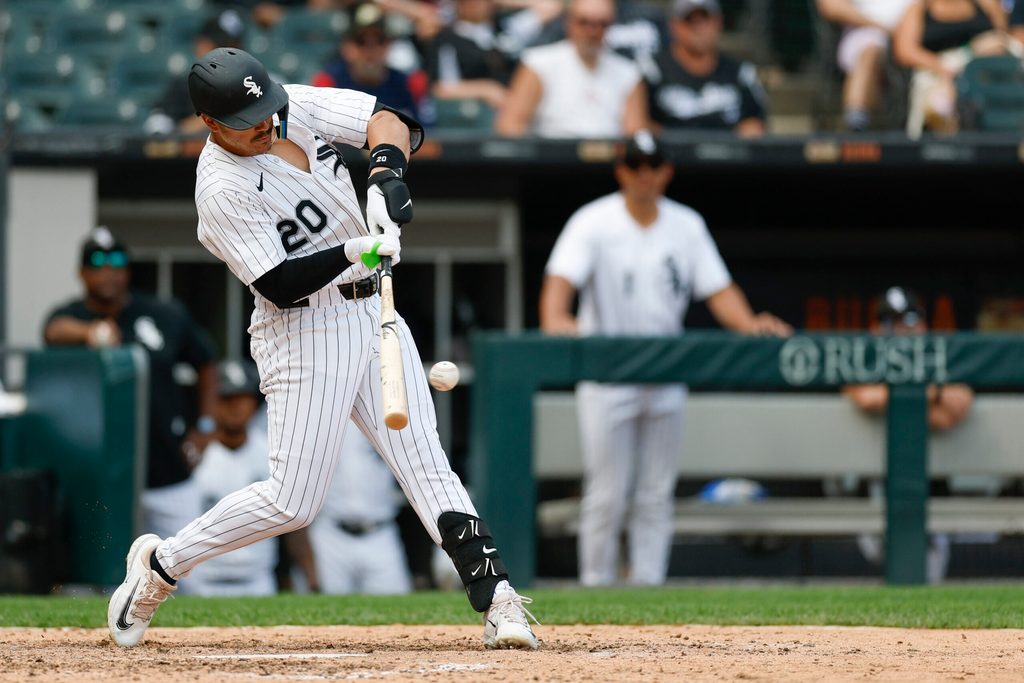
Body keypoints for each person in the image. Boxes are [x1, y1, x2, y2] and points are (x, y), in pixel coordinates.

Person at [106, 47, 538, 651]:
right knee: (292, 503)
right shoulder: (220, 189)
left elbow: (389, 118)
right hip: (303, 331)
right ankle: (161, 566)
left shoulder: (289, 108)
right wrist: (357, 250)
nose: (265, 125)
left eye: (267, 111)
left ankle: (498, 601)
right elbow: (278, 283)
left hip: (371, 309)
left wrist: (387, 171)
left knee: (427, 467)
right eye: (246, 121)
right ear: (209, 123)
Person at [538, 132, 792, 587]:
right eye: (635, 165)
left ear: (666, 171)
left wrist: (750, 322)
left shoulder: (686, 224)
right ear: (621, 170)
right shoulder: (593, 220)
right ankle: (595, 588)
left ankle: (648, 591)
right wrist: (557, 317)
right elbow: (560, 280)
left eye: (652, 165)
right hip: (609, 372)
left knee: (655, 493)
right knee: (608, 493)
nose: (644, 174)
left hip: (666, 370)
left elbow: (718, 289)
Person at [44, 228, 219, 556]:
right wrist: (90, 332)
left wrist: (206, 427)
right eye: (97, 263)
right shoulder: (73, 316)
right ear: (82, 273)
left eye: (116, 262)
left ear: (127, 270)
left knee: (188, 568)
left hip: (169, 469)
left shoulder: (163, 314)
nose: (107, 271)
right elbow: (52, 331)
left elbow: (207, 362)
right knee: (111, 574)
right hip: (106, 479)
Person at [841, 286, 974, 583]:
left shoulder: (939, 361)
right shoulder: (862, 360)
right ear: (875, 328)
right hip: (872, 497)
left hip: (930, 496)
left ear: (925, 325)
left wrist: (902, 399)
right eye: (890, 322)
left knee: (924, 589)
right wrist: (929, 396)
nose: (901, 329)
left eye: (910, 320)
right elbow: (866, 397)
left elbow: (956, 406)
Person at [188, 360, 320, 596]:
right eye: (227, 398)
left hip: (259, 582)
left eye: (243, 397)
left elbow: (293, 520)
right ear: (213, 402)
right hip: (202, 582)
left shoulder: (272, 450)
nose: (236, 406)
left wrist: (310, 575)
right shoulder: (195, 453)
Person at [494, 0, 648, 138]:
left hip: (611, 164)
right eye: (584, 22)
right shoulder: (538, 63)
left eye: (601, 24)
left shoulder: (628, 72)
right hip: (552, 163)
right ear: (568, 22)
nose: (592, 31)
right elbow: (510, 125)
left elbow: (635, 132)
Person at [307, 427, 412, 594]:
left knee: (396, 604)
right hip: (331, 531)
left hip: (380, 530)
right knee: (330, 607)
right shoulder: (318, 411)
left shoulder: (383, 411)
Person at [893, 0, 1016, 137]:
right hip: (938, 72)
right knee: (940, 93)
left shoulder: (986, 4)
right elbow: (905, 50)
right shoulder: (919, 9)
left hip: (983, 71)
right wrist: (942, 66)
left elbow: (1004, 37)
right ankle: (944, 132)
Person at [645, 0, 768, 136]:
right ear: (674, 25)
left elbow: (755, 124)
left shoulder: (741, 72)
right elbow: (642, 125)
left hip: (728, 155)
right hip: (670, 155)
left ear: (719, 22)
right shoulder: (653, 71)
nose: (699, 28)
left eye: (705, 19)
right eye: (690, 20)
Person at [311, 3, 434, 127]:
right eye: (361, 42)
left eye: (379, 41)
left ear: (388, 46)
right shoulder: (328, 84)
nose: (371, 50)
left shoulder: (409, 84)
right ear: (346, 47)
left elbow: (429, 138)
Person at [144, 9, 249, 136]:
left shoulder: (254, 83)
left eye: (234, 48)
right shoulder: (182, 86)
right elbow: (158, 133)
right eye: (220, 47)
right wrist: (200, 124)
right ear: (200, 46)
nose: (228, 54)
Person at [815, 0, 915, 131]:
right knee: (870, 51)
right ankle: (856, 122)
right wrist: (881, 26)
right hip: (865, 37)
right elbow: (830, 6)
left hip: (913, 42)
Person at [422, 0, 524, 113]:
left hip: (513, 107)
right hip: (470, 114)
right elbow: (442, 87)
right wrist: (486, 90)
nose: (478, 4)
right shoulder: (447, 39)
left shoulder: (505, 30)